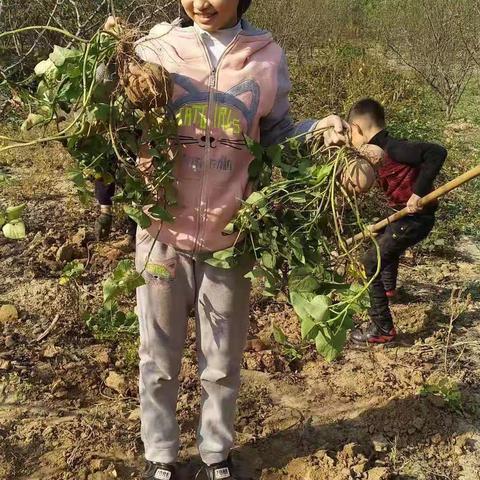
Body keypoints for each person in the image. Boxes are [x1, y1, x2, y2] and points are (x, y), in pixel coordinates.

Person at [112, 1, 349, 478]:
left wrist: (317, 130)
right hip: (161, 231)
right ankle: (160, 455)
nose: (201, 3)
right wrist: (113, 65)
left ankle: (215, 453)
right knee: (157, 357)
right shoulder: (156, 48)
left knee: (220, 360)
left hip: (232, 235)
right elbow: (119, 122)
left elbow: (276, 131)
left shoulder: (267, 55)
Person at [347, 98, 447, 345]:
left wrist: (419, 192)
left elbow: (437, 152)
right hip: (401, 216)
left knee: (369, 262)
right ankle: (389, 289)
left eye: (350, 131)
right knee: (382, 238)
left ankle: (382, 328)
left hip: (414, 219)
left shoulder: (394, 148)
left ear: (358, 128)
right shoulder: (379, 152)